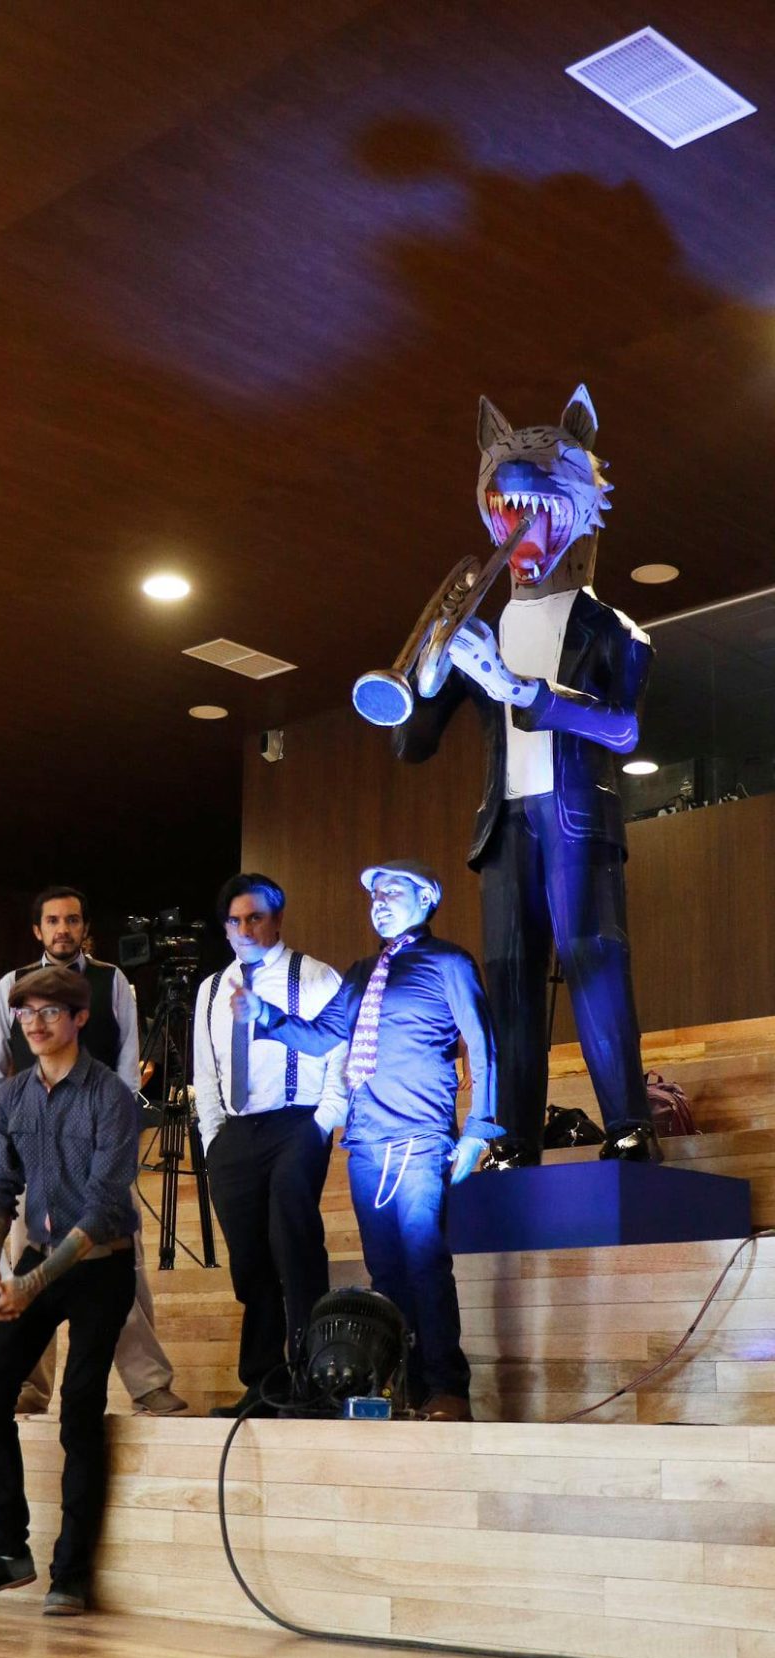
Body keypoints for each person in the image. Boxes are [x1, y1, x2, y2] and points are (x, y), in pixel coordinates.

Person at [390, 386, 655, 1166]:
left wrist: (523, 691)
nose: (515, 508)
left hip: (577, 816)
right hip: (506, 823)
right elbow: (412, 744)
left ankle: (629, 1123)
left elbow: (622, 726)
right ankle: (513, 1136)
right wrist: (430, 666)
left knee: (593, 959)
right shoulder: (481, 622)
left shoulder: (612, 627)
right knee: (509, 976)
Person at [231, 860, 499, 1422]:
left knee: (425, 1263)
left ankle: (446, 1386)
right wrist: (265, 1015)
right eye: (374, 893)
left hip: (420, 1134)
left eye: (392, 890)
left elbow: (482, 1042)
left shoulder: (449, 962)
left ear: (426, 899)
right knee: (387, 1273)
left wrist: (480, 1126)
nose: (379, 900)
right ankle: (402, 1389)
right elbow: (322, 1036)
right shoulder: (360, 973)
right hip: (367, 1141)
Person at [0, 967, 138, 1617]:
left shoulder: (111, 1096)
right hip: (36, 1257)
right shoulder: (14, 1096)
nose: (35, 1023)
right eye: (25, 1013)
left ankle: (71, 1575)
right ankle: (7, 1549)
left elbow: (103, 1210)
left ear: (79, 1018)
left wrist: (29, 1284)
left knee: (79, 1407)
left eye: (50, 1011)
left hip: (101, 1264)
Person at [0, 885, 185, 1417]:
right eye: (52, 921)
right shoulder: (11, 986)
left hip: (99, 1142)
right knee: (30, 1261)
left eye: (72, 920)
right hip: (30, 1146)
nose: (62, 929)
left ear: (84, 928)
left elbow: (129, 1067)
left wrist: (117, 1137)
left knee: (119, 1268)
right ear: (37, 930)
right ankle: (30, 1386)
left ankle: (148, 1384)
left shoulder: (113, 982)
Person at [194, 873, 348, 1418]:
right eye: (234, 921)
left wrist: (322, 1122)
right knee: (249, 1262)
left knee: (295, 1247)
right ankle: (262, 1383)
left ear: (277, 919)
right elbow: (205, 1071)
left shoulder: (316, 976)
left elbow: (340, 1054)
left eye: (255, 917)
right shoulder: (210, 990)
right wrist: (212, 1138)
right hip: (234, 1135)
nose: (244, 929)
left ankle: (312, 1381)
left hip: (295, 1124)